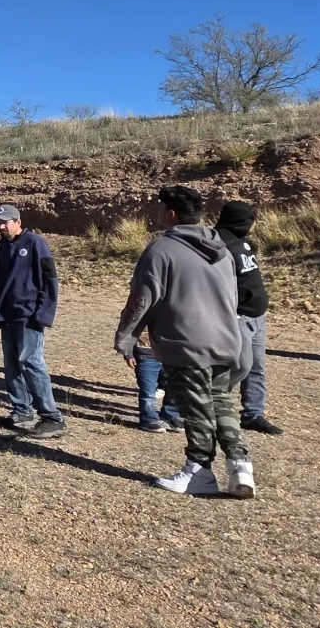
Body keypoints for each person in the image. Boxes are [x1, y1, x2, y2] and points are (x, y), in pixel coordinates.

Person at [115, 186, 254, 498]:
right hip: (227, 339)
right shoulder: (220, 248)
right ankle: (240, 466)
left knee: (195, 408)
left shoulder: (161, 249)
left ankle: (198, 470)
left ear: (171, 214)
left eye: (160, 206)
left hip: (185, 341)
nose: (157, 212)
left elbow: (141, 299)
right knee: (220, 401)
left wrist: (126, 337)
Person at [0, 205, 66, 440]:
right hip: (9, 315)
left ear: (18, 221)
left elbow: (49, 280)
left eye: (5, 221)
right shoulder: (2, 246)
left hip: (29, 315)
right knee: (12, 364)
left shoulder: (36, 243)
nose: (1, 226)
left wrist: (43, 314)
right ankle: (22, 410)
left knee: (31, 362)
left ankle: (52, 417)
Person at [213, 201, 281, 433]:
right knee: (240, 366)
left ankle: (253, 414)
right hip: (237, 317)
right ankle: (209, 403)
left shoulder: (241, 241)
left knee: (256, 368)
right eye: (248, 222)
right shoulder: (217, 243)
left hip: (256, 317)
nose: (251, 227)